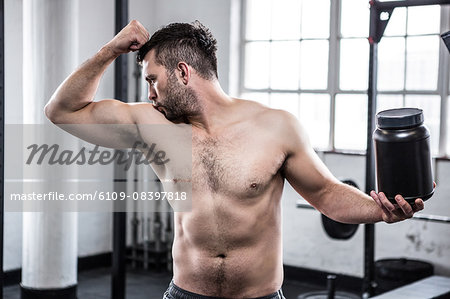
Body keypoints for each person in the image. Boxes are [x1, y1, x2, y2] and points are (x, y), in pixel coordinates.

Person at [45, 20, 425, 299]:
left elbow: (326, 194)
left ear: (182, 72)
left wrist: (382, 211)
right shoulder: (152, 124)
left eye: (152, 79)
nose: (149, 94)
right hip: (185, 294)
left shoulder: (275, 126)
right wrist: (109, 49)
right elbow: (62, 111)